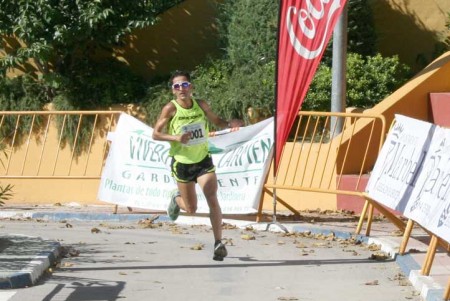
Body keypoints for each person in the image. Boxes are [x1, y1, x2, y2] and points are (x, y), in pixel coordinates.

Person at [152, 70, 244, 261]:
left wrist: (231, 123)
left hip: (203, 160)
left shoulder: (201, 105)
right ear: (173, 91)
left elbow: (217, 121)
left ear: (191, 87)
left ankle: (219, 242)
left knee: (212, 197)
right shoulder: (170, 108)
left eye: (185, 85)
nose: (181, 89)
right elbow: (156, 134)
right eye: (177, 86)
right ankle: (176, 198)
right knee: (191, 209)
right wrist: (176, 137)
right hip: (183, 164)